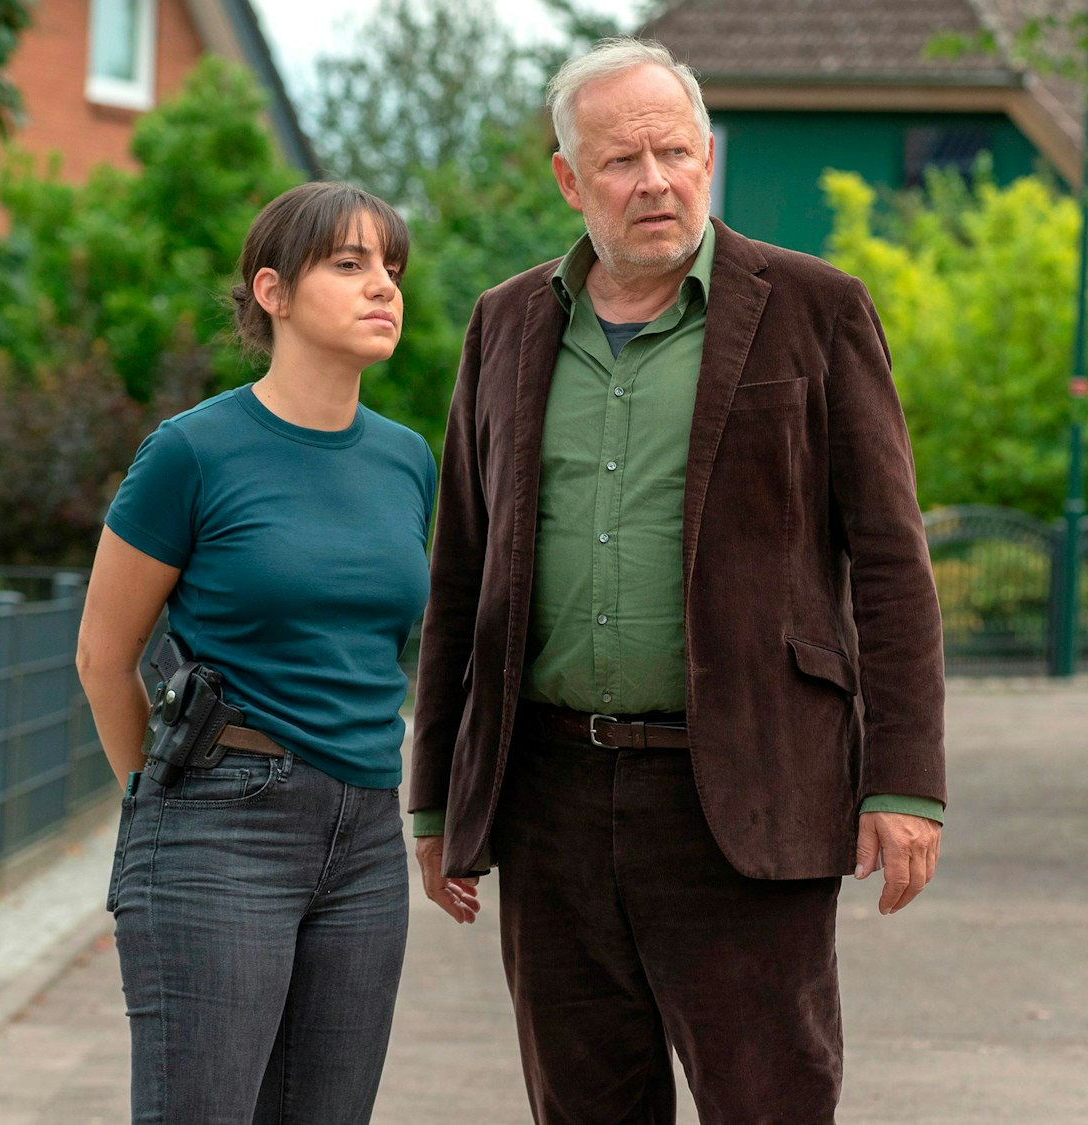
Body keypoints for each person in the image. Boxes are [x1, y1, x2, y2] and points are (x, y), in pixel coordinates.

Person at [408, 37, 948, 1124]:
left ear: (708, 156)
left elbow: (891, 561)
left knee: (768, 1103)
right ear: (568, 179)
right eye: (618, 161)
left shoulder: (815, 307)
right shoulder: (504, 325)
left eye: (672, 152)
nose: (651, 181)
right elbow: (460, 567)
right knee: (580, 1104)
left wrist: (903, 783)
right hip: (551, 794)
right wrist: (434, 793)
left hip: (748, 791)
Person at [76, 180, 458, 1124]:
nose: (385, 288)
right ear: (273, 291)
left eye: (392, 267)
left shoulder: (408, 460)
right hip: (220, 827)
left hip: (367, 833)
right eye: (350, 263)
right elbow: (102, 653)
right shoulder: (194, 452)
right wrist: (155, 811)